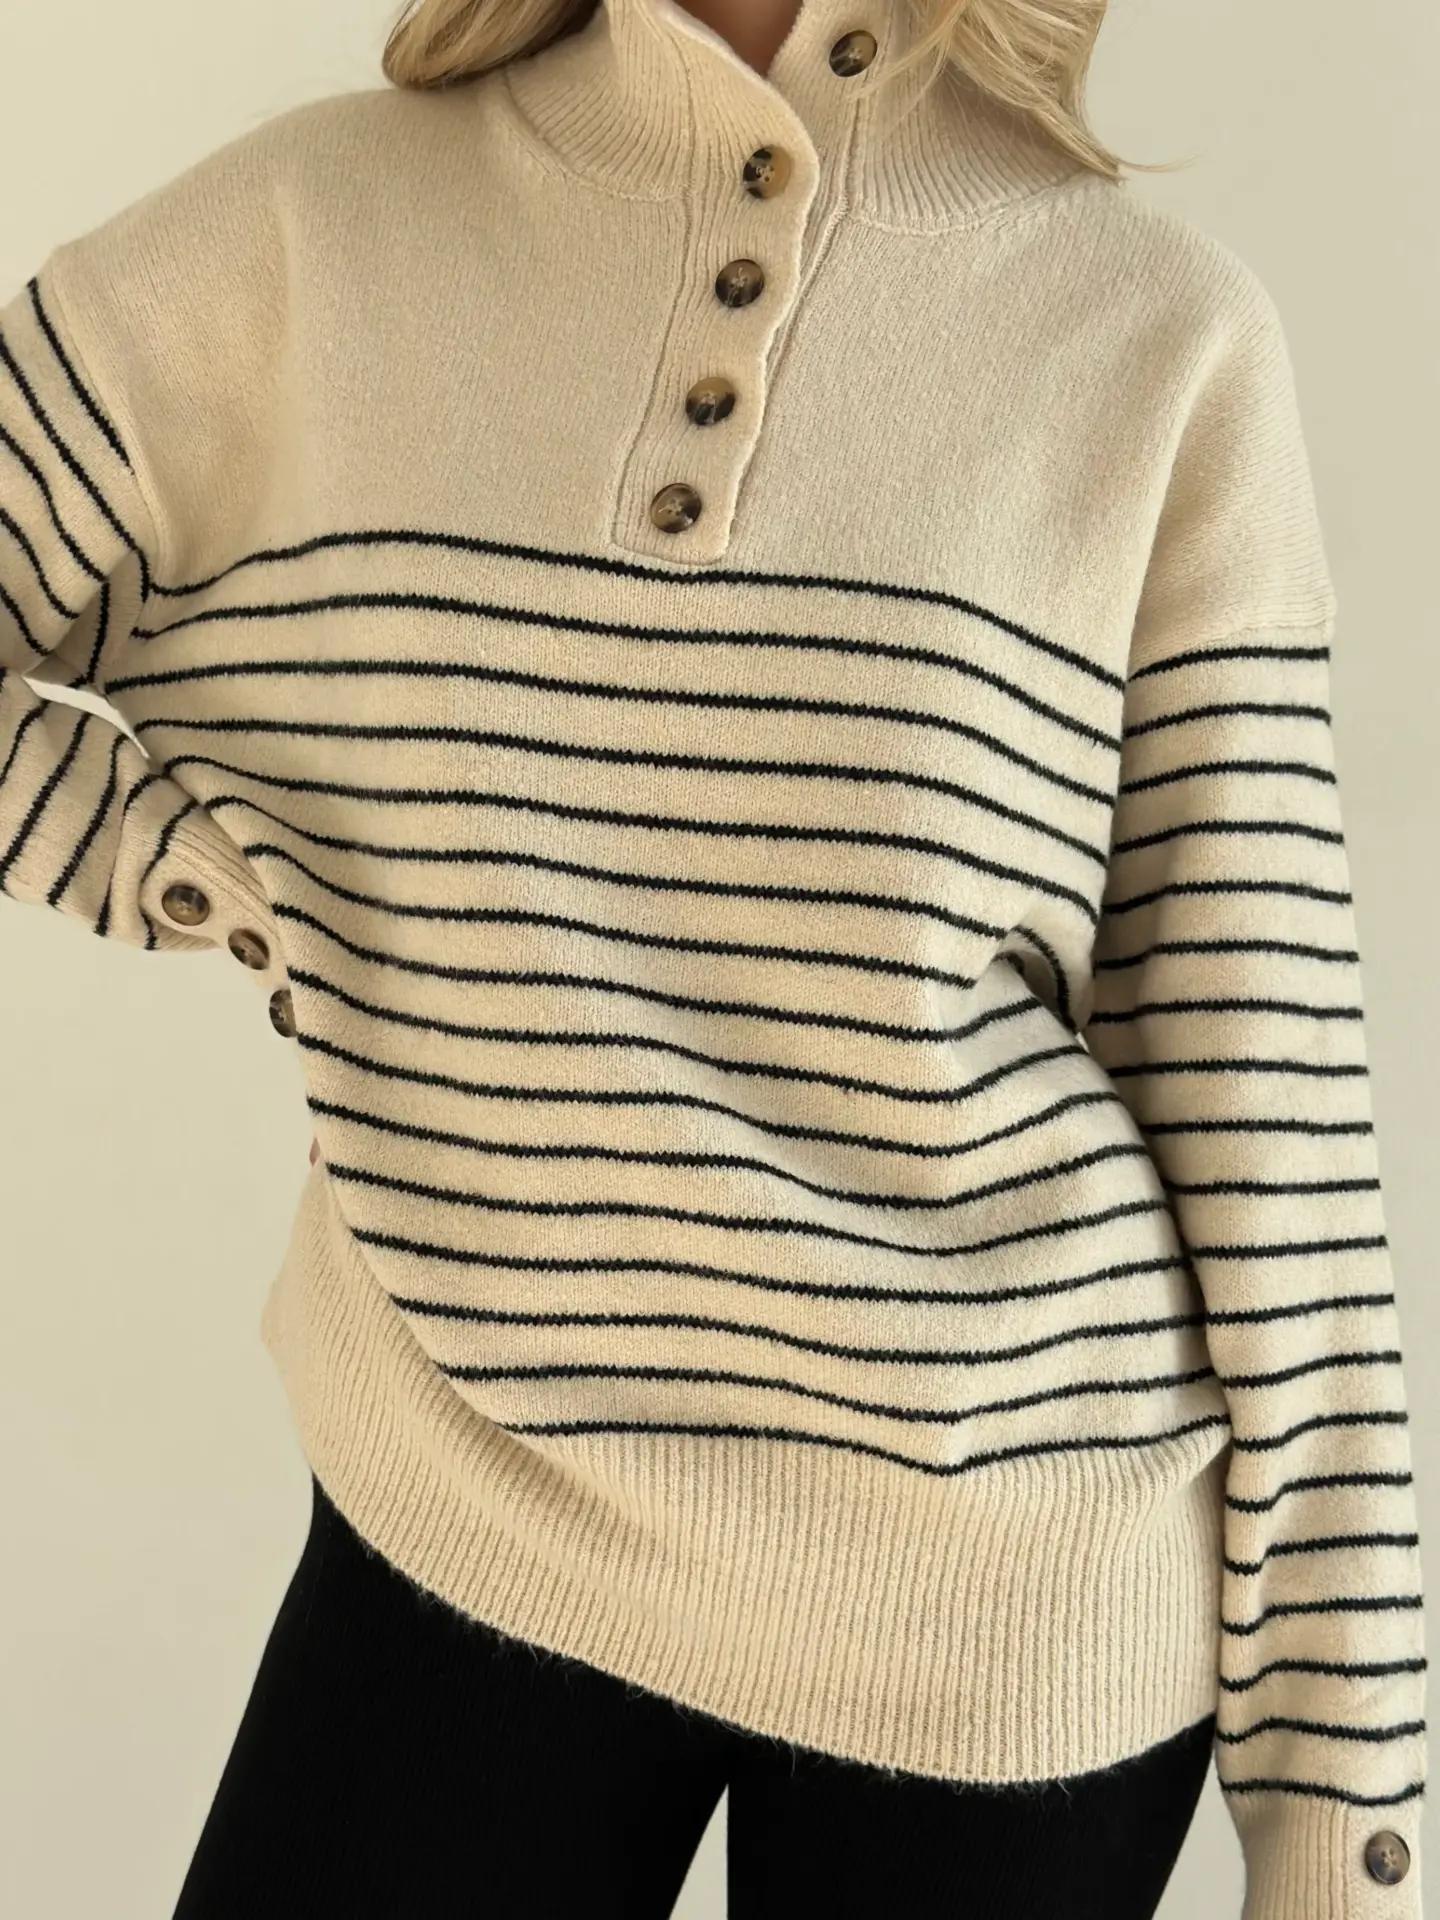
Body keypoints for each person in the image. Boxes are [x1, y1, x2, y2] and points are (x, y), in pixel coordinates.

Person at [0, 0, 1425, 1914]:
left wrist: (1342, 1818)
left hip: (1000, 1619)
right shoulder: (310, 231)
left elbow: (1268, 1098)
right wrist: (177, 868)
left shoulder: (1160, 341)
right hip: (473, 1499)